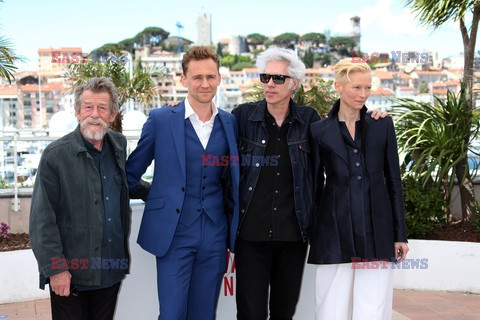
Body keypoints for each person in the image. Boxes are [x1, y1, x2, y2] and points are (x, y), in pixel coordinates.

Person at [232, 48, 387, 320]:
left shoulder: (309, 121)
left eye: (278, 78)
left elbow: (342, 140)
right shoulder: (242, 117)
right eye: (265, 77)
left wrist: (372, 116)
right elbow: (212, 133)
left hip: (294, 236)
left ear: (294, 83)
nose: (270, 84)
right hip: (250, 235)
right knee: (250, 313)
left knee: (284, 312)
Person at [125, 46, 240, 320]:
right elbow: (130, 174)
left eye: (211, 76)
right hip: (173, 234)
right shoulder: (160, 120)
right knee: (173, 313)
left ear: (219, 78)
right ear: (184, 79)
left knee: (204, 314)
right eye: (197, 77)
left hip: (214, 235)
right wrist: (154, 195)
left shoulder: (230, 122)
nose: (204, 83)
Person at [30, 77, 143, 320]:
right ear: (78, 112)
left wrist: (171, 193)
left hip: (109, 271)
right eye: (88, 107)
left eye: (102, 108)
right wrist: (56, 269)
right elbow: (42, 219)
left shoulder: (118, 146)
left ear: (112, 114)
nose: (95, 114)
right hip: (71, 275)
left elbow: (128, 184)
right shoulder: (55, 156)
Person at [308, 58, 409, 320]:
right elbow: (315, 187)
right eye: (356, 87)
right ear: (338, 86)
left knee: (372, 310)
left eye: (367, 88)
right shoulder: (319, 131)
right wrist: (313, 231)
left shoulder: (382, 124)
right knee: (331, 309)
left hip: (377, 231)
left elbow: (393, 182)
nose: (363, 94)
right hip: (333, 233)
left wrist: (400, 234)